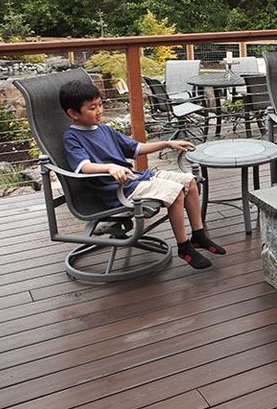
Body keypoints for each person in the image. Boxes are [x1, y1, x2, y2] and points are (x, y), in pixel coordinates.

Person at [59, 79, 226, 270]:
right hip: (119, 191)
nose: (99, 111)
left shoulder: (105, 130)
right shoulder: (72, 137)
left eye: (100, 104)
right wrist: (109, 167)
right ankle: (184, 247)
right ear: (73, 113)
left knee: (190, 182)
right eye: (92, 108)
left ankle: (199, 235)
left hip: (137, 179)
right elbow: (84, 166)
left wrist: (167, 143)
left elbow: (137, 148)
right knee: (177, 192)